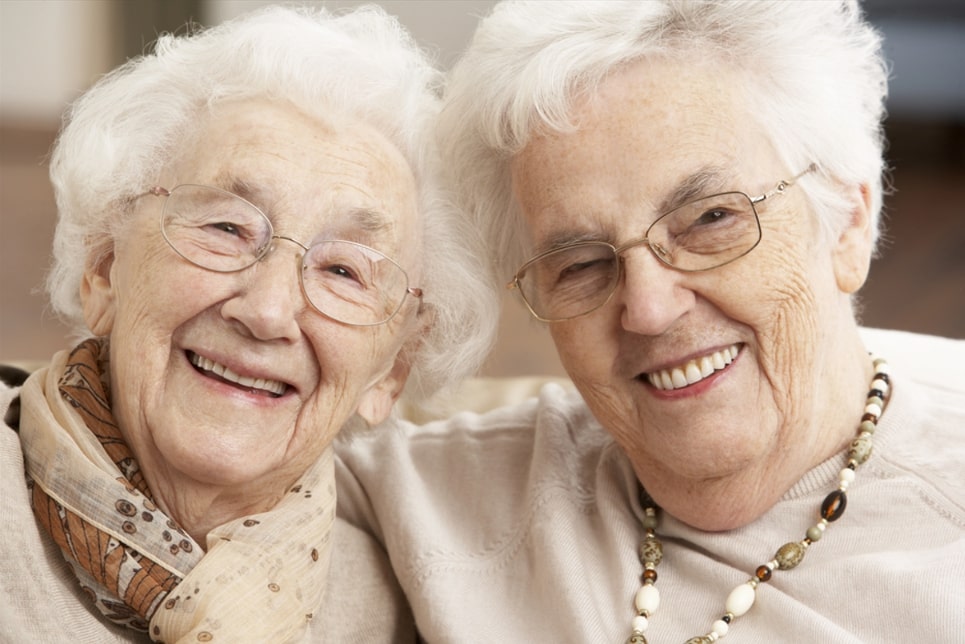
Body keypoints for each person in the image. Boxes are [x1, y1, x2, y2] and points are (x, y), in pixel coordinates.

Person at [331, 1, 965, 641]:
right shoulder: (447, 502)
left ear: (848, 222)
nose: (650, 309)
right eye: (579, 264)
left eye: (711, 219)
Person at [0, 5, 496, 642]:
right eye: (226, 228)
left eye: (344, 271)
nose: (267, 312)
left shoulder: (414, 607)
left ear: (392, 371)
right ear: (104, 268)